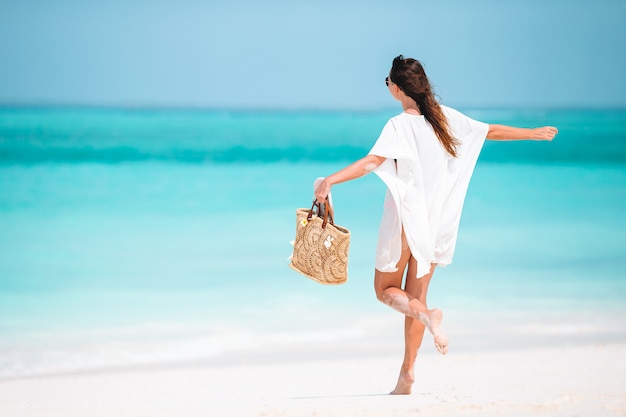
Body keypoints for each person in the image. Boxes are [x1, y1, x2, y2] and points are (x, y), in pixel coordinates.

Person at [313, 55, 558, 395]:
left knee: (385, 292)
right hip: (434, 225)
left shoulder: (399, 125)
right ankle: (407, 374)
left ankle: (428, 320)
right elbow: (489, 131)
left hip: (404, 221)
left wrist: (331, 182)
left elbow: (371, 163)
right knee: (417, 297)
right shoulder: (446, 119)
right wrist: (531, 133)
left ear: (397, 88)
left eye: (388, 83)